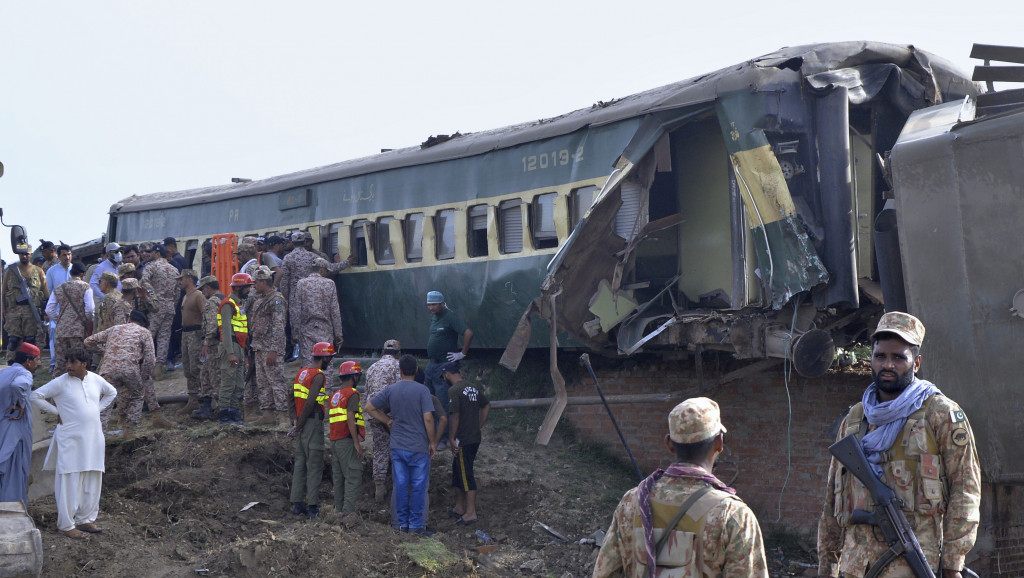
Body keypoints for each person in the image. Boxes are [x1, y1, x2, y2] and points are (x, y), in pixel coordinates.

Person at [817, 312, 981, 578]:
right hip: (856, 566)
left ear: (916, 363)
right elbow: (832, 498)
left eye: (898, 357)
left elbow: (966, 489)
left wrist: (953, 564)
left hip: (913, 563)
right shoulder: (856, 418)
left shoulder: (939, 414)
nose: (888, 365)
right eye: (880, 356)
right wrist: (827, 565)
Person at [594, 397, 768, 577]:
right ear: (719, 443)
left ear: (669, 443)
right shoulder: (733, 515)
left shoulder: (632, 502)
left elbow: (604, 573)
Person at [31, 347, 117, 540]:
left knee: (92, 476)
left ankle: (85, 519)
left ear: (84, 364)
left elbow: (112, 393)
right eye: (67, 362)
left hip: (94, 437)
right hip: (70, 438)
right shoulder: (61, 382)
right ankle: (66, 524)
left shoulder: (95, 379)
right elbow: (35, 396)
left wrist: (96, 409)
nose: (68, 366)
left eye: (73, 362)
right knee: (70, 479)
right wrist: (56, 413)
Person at [364, 354, 437, 536]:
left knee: (400, 485)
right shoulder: (423, 391)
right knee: (419, 486)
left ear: (400, 371)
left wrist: (387, 421)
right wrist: (433, 441)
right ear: (417, 370)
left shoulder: (391, 390)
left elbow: (369, 407)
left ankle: (399, 525)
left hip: (398, 446)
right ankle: (415, 527)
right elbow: (428, 418)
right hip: (418, 446)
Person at [84, 310, 164, 434]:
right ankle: (129, 429)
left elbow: (88, 341)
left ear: (129, 319)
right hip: (130, 369)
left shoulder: (114, 329)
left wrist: (105, 353)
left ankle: (99, 437)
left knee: (105, 403)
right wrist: (144, 376)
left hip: (107, 370)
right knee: (138, 395)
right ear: (143, 324)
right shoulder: (144, 332)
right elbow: (150, 359)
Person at [289, 342, 333, 519]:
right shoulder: (319, 376)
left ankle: (297, 503)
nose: (330, 360)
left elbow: (290, 396)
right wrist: (299, 424)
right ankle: (313, 505)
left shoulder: (301, 373)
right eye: (329, 357)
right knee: (314, 464)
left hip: (301, 422)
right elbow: (310, 402)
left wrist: (294, 420)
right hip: (312, 423)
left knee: (300, 462)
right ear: (323, 357)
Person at [424, 290, 472, 449]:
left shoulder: (449, 317)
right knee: (428, 400)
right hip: (432, 365)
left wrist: (462, 354)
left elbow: (468, 333)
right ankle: (430, 435)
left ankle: (443, 439)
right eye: (429, 304)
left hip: (444, 366)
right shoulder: (435, 317)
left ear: (442, 304)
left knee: (442, 402)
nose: (431, 307)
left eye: (434, 304)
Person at [442, 361, 489, 525]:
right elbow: (486, 405)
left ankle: (471, 512)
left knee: (465, 473)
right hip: (474, 437)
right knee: (457, 471)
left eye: (444, 376)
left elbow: (454, 415)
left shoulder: (453, 390)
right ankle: (459, 507)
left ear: (447, 374)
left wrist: (452, 437)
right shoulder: (472, 387)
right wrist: (480, 424)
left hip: (463, 439)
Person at [246, 266, 290, 427]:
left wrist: (274, 349)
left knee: (276, 381)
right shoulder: (259, 300)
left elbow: (279, 326)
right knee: (262, 381)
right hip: (259, 347)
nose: (254, 285)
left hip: (271, 348)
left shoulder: (277, 299)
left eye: (256, 282)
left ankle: (284, 416)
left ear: (263, 282)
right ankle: (267, 414)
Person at [0, 343, 42, 504]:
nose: (39, 364)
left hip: (4, 427)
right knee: (14, 471)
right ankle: (11, 506)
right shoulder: (24, 374)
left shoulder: (6, 372)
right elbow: (19, 385)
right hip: (14, 430)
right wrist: (20, 405)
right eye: (37, 360)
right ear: (28, 361)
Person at [365, 339, 402, 502]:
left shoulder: (372, 368)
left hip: (373, 412)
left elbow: (367, 392)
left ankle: (379, 487)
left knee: (379, 449)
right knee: (397, 449)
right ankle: (398, 487)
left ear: (382, 352)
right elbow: (401, 391)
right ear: (398, 353)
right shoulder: (397, 366)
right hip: (391, 414)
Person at [290, 257, 344, 367]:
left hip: (306, 329)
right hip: (326, 329)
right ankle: (326, 383)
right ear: (322, 269)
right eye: (326, 271)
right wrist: (338, 334)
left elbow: (296, 311)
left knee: (308, 360)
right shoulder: (330, 284)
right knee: (326, 359)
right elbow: (335, 311)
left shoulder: (301, 284)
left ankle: (310, 382)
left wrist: (295, 333)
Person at [327, 360, 365, 514]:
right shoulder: (353, 394)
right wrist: (356, 442)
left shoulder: (335, 395)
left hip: (335, 441)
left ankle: (338, 511)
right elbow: (351, 418)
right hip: (346, 441)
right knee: (353, 476)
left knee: (338, 478)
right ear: (354, 376)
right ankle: (348, 514)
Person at [44, 262, 94, 377]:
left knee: (61, 363)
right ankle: (78, 386)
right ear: (83, 274)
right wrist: (87, 320)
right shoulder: (86, 287)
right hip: (78, 331)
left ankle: (55, 390)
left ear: (70, 273)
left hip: (61, 330)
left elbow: (49, 309)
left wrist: (61, 319)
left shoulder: (59, 288)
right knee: (78, 361)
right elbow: (90, 309)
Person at [140, 244, 179, 380]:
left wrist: (152, 297)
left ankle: (145, 366)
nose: (147, 254)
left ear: (157, 253)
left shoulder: (151, 266)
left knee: (148, 336)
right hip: (170, 307)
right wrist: (172, 303)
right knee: (164, 337)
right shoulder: (174, 270)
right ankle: (159, 367)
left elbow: (144, 281)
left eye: (150, 252)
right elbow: (178, 291)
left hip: (156, 307)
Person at [217, 273, 252, 425]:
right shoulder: (228, 304)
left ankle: (234, 414)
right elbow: (225, 330)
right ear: (239, 288)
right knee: (228, 382)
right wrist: (230, 353)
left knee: (238, 383)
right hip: (230, 347)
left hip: (238, 346)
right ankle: (224, 416)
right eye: (247, 288)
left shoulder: (238, 305)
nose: (249, 290)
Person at [3, 249, 49, 363]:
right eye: (22, 254)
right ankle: (11, 362)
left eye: (27, 254)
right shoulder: (11, 270)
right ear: (19, 255)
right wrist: (3, 309)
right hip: (14, 310)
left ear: (31, 255)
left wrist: (46, 311)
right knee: (13, 339)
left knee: (30, 339)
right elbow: (3, 292)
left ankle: (29, 363)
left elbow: (45, 291)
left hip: (32, 310)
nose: (24, 256)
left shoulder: (38, 271)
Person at [192, 275, 223, 421]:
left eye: (203, 289)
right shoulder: (224, 299)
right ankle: (207, 406)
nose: (202, 292)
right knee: (206, 374)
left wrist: (206, 342)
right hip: (220, 343)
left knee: (214, 376)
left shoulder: (211, 303)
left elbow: (212, 324)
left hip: (213, 344)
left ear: (208, 288)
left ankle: (221, 410)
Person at [176, 270, 206, 416]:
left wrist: (205, 337)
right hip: (185, 333)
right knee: (188, 367)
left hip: (196, 333)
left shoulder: (198, 295)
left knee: (197, 366)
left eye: (181, 279)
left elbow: (205, 315)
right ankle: (193, 398)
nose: (179, 282)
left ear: (189, 279)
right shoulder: (185, 296)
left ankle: (207, 397)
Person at [44, 244, 74, 370]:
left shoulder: (75, 269)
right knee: (55, 336)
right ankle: (54, 363)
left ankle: (71, 363)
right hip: (56, 310)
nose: (67, 257)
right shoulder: (52, 271)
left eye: (69, 254)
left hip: (74, 311)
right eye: (64, 255)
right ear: (58, 256)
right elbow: (49, 292)